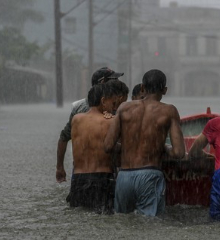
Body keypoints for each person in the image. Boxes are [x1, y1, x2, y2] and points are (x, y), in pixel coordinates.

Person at [103, 69, 185, 216]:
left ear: (142, 88)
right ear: (164, 90)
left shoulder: (124, 108)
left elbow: (108, 146)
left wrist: (129, 147)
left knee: (122, 224)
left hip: (124, 177)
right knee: (149, 228)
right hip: (150, 175)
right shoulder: (169, 111)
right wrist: (163, 148)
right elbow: (178, 152)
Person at [66, 80, 129, 212]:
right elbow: (127, 146)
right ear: (103, 101)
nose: (114, 107)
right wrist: (114, 118)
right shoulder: (111, 121)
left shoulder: (76, 120)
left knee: (80, 219)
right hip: (102, 179)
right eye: (112, 103)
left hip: (78, 180)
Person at [56, 67, 124, 183]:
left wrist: (60, 167)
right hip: (104, 175)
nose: (117, 83)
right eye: (114, 80)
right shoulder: (87, 109)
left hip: (81, 175)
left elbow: (63, 138)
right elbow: (64, 138)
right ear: (103, 83)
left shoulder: (79, 109)